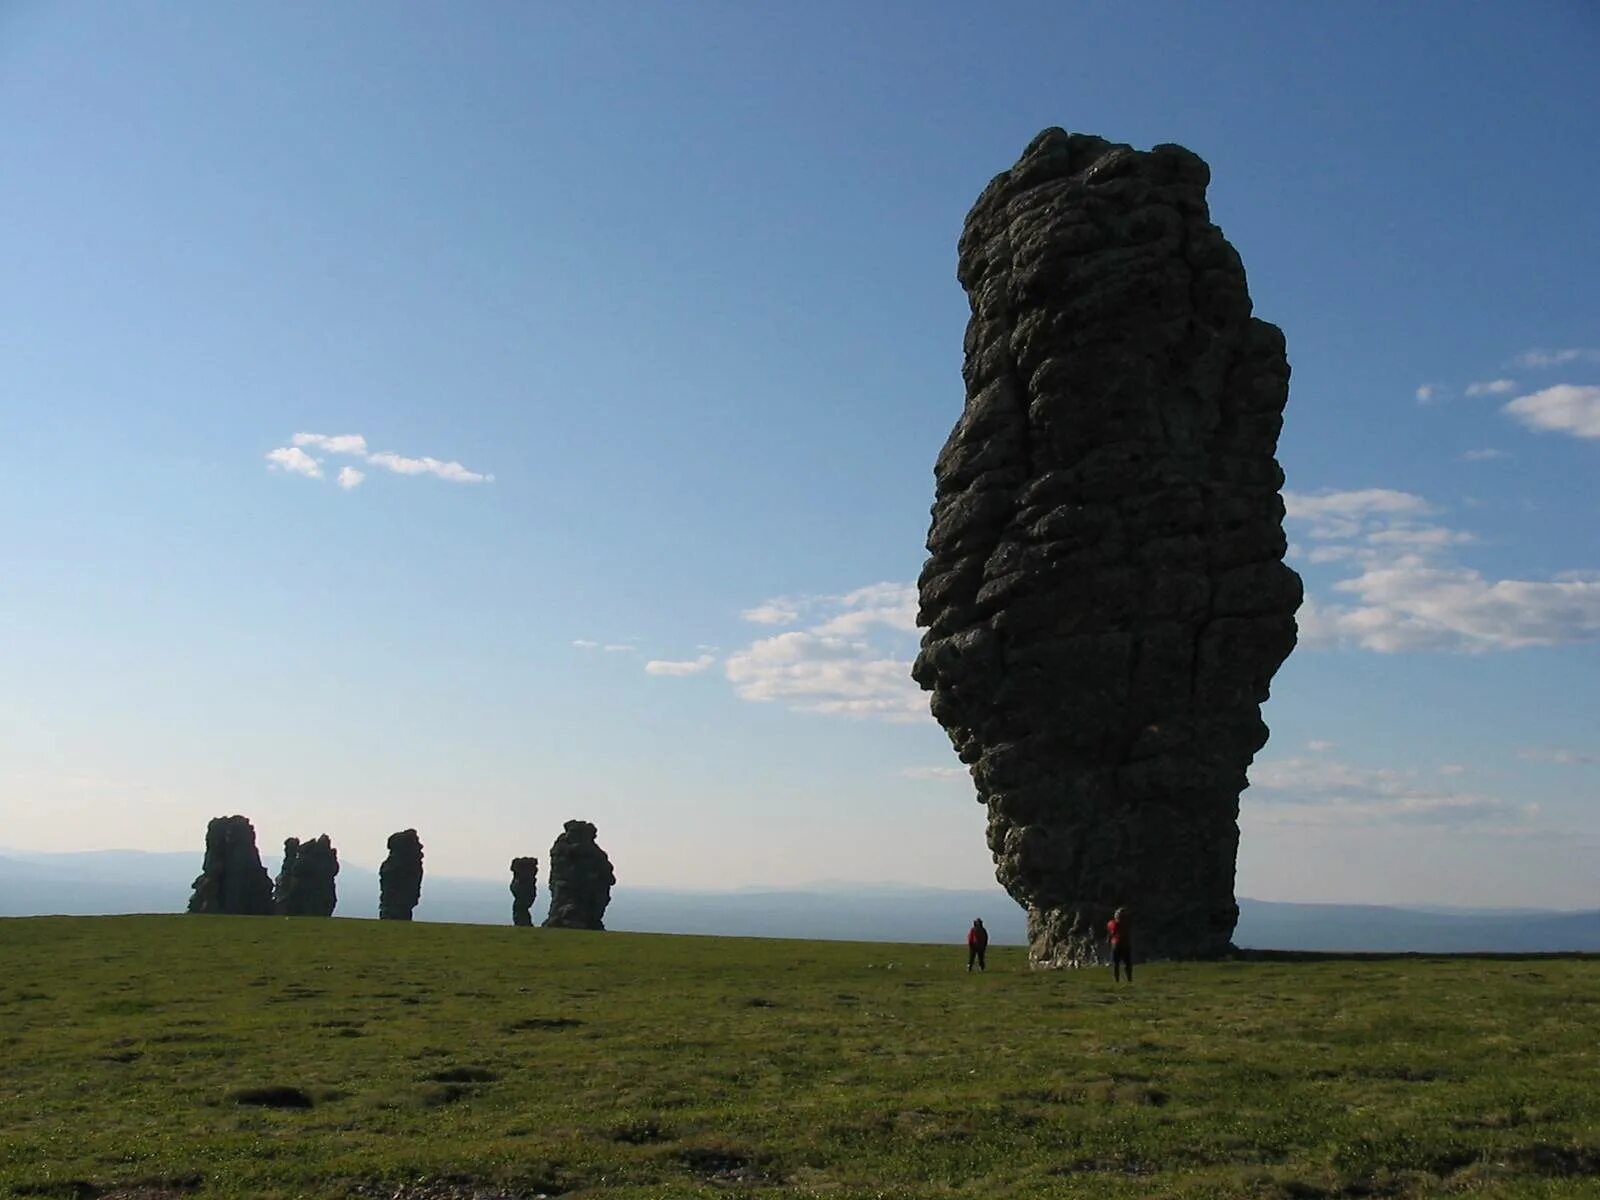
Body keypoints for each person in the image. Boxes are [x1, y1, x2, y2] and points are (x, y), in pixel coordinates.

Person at [1107, 907, 1132, 982]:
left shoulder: (1112, 923)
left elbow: (1111, 932)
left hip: (1116, 944)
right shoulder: (1127, 924)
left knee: (1116, 964)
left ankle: (1117, 980)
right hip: (1125, 944)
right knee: (1127, 964)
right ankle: (1129, 979)